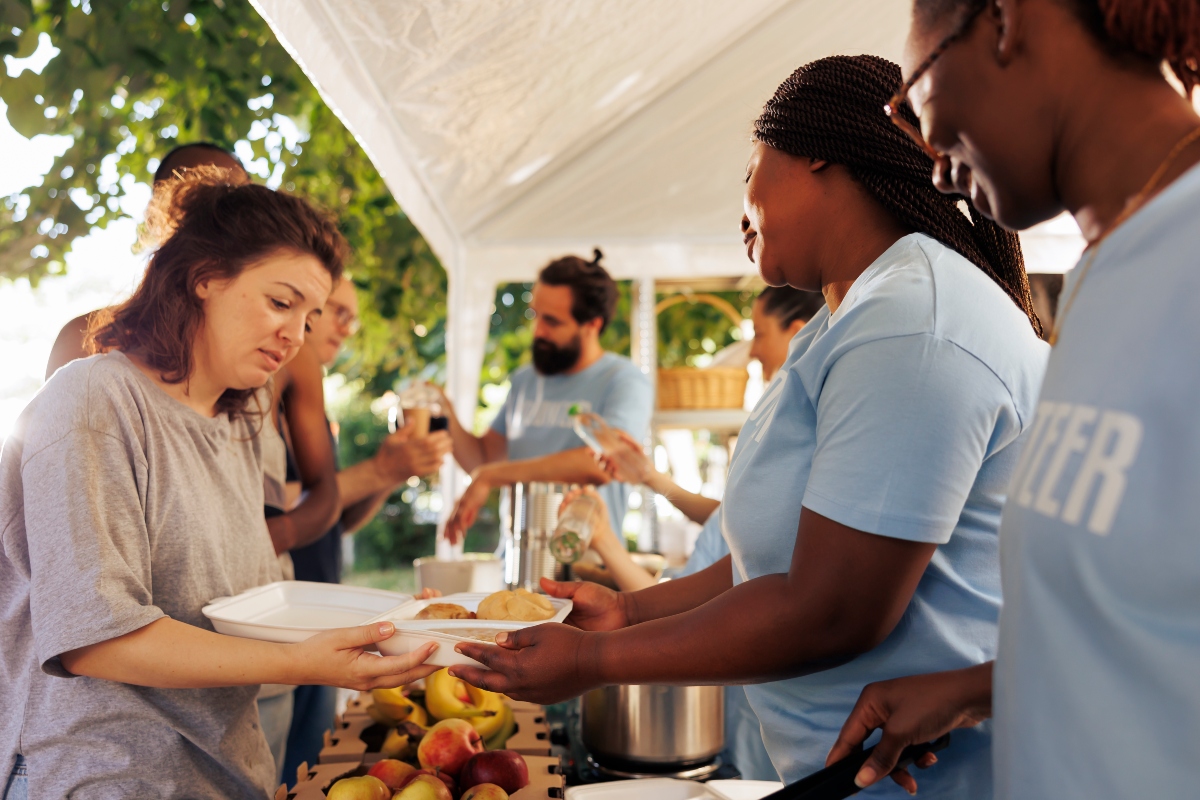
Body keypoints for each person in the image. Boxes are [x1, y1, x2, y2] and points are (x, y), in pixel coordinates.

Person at [448, 55, 1048, 799]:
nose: (742, 211)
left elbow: (831, 610)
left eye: (750, 171)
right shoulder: (851, 320)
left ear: (817, 153)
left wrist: (591, 663)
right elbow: (780, 557)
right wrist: (628, 612)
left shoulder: (909, 324)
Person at [826, 2, 1200, 798]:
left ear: (1006, 20)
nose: (929, 160)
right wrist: (978, 689)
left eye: (913, 98)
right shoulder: (1108, 268)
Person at [0, 168, 439, 800]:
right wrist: (302, 662)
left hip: (223, 774)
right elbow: (94, 640)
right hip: (103, 777)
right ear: (204, 276)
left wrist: (388, 626)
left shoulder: (238, 421)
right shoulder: (93, 398)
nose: (296, 336)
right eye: (281, 303)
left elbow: (244, 607)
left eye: (309, 317)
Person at [574, 286, 823, 781]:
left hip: (759, 710)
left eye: (759, 334)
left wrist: (606, 545)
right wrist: (652, 479)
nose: (752, 351)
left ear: (797, 333)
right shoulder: (782, 412)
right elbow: (735, 519)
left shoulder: (807, 422)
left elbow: (696, 603)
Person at [280, 276, 453, 782]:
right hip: (284, 624)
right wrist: (379, 469)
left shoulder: (311, 403)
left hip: (316, 613)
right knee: (287, 772)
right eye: (336, 311)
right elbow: (273, 508)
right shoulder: (268, 392)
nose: (345, 327)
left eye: (351, 319)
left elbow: (335, 518)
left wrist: (390, 474)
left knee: (304, 764)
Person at [441, 250, 653, 542]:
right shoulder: (525, 380)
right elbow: (483, 460)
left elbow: (606, 464)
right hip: (517, 558)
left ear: (592, 324)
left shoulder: (624, 381)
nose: (538, 331)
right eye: (535, 315)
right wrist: (444, 411)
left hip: (588, 561)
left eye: (552, 321)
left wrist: (492, 476)